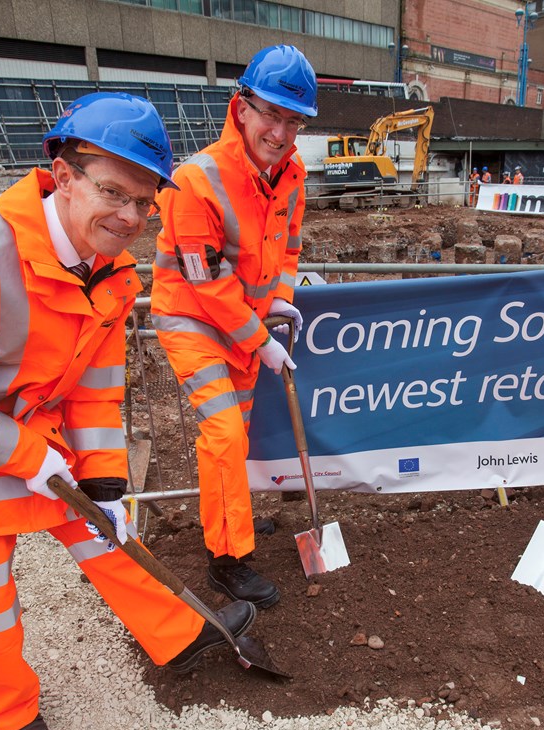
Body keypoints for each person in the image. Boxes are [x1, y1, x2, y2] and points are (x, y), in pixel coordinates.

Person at [0, 93, 257, 730]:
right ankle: (11, 715)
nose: (129, 216)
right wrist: (26, 457)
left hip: (31, 441)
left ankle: (179, 632)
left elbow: (96, 384)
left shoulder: (109, 270)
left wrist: (103, 478)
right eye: (113, 191)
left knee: (111, 531)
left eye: (143, 203)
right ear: (63, 174)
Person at [150, 45, 317, 609]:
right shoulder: (194, 181)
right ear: (240, 108)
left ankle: (232, 520)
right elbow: (204, 280)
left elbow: (289, 248)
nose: (281, 130)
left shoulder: (292, 175)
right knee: (222, 435)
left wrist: (282, 300)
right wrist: (260, 339)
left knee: (236, 437)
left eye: (294, 120)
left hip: (246, 322)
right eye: (272, 114)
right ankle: (227, 561)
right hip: (193, 318)